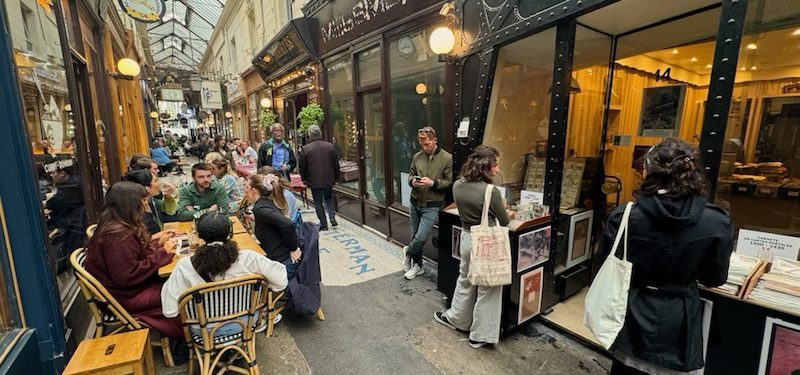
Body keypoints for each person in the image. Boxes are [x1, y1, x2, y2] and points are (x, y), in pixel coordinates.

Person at [603, 139, 732, 375]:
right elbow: (715, 278)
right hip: (680, 318)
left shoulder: (624, 217)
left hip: (631, 311)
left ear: (648, 172)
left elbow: (607, 263)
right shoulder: (717, 221)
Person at [433, 145, 513, 349]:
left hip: (467, 238)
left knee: (465, 280)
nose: (497, 170)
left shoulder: (458, 185)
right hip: (486, 242)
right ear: (485, 167)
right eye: (495, 165)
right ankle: (480, 335)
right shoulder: (490, 191)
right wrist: (508, 212)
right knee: (489, 288)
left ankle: (456, 319)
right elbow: (503, 221)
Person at [83, 181, 183, 340]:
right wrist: (163, 252)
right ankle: (186, 337)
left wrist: (156, 243)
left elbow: (132, 255)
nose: (146, 203)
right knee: (183, 291)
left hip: (123, 291)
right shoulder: (116, 236)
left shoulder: (115, 224)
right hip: (124, 297)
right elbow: (128, 275)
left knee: (179, 281)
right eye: (143, 200)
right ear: (130, 204)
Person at [161, 212, 288, 333]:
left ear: (199, 235)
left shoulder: (185, 266)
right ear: (230, 233)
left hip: (204, 331)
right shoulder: (250, 258)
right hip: (245, 323)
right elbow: (281, 281)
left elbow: (170, 311)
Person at [403, 127, 453, 280]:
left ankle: (407, 252)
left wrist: (433, 183)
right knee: (414, 235)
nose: (425, 148)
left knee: (421, 237)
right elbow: (410, 174)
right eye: (422, 145)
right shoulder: (417, 156)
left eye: (427, 144)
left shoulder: (447, 158)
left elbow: (450, 182)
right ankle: (418, 266)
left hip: (432, 205)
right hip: (415, 201)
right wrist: (413, 181)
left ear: (435, 140)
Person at [245, 174, 301, 281]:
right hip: (280, 257)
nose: (245, 192)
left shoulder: (260, 208)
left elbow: (288, 224)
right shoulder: (266, 202)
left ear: (253, 190)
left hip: (282, 263)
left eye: (246, 188)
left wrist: (294, 249)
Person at [299, 125, 338, 230]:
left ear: (310, 135)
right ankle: (332, 216)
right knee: (329, 198)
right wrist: (336, 178)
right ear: (320, 133)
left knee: (318, 202)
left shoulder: (306, 149)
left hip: (314, 180)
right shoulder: (330, 146)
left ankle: (324, 224)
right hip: (329, 178)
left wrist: (304, 179)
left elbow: (303, 166)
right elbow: (336, 164)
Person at [122, 169, 177, 235]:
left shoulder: (151, 200)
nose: (159, 183)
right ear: (146, 187)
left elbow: (170, 212)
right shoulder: (137, 212)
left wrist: (168, 196)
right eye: (156, 181)